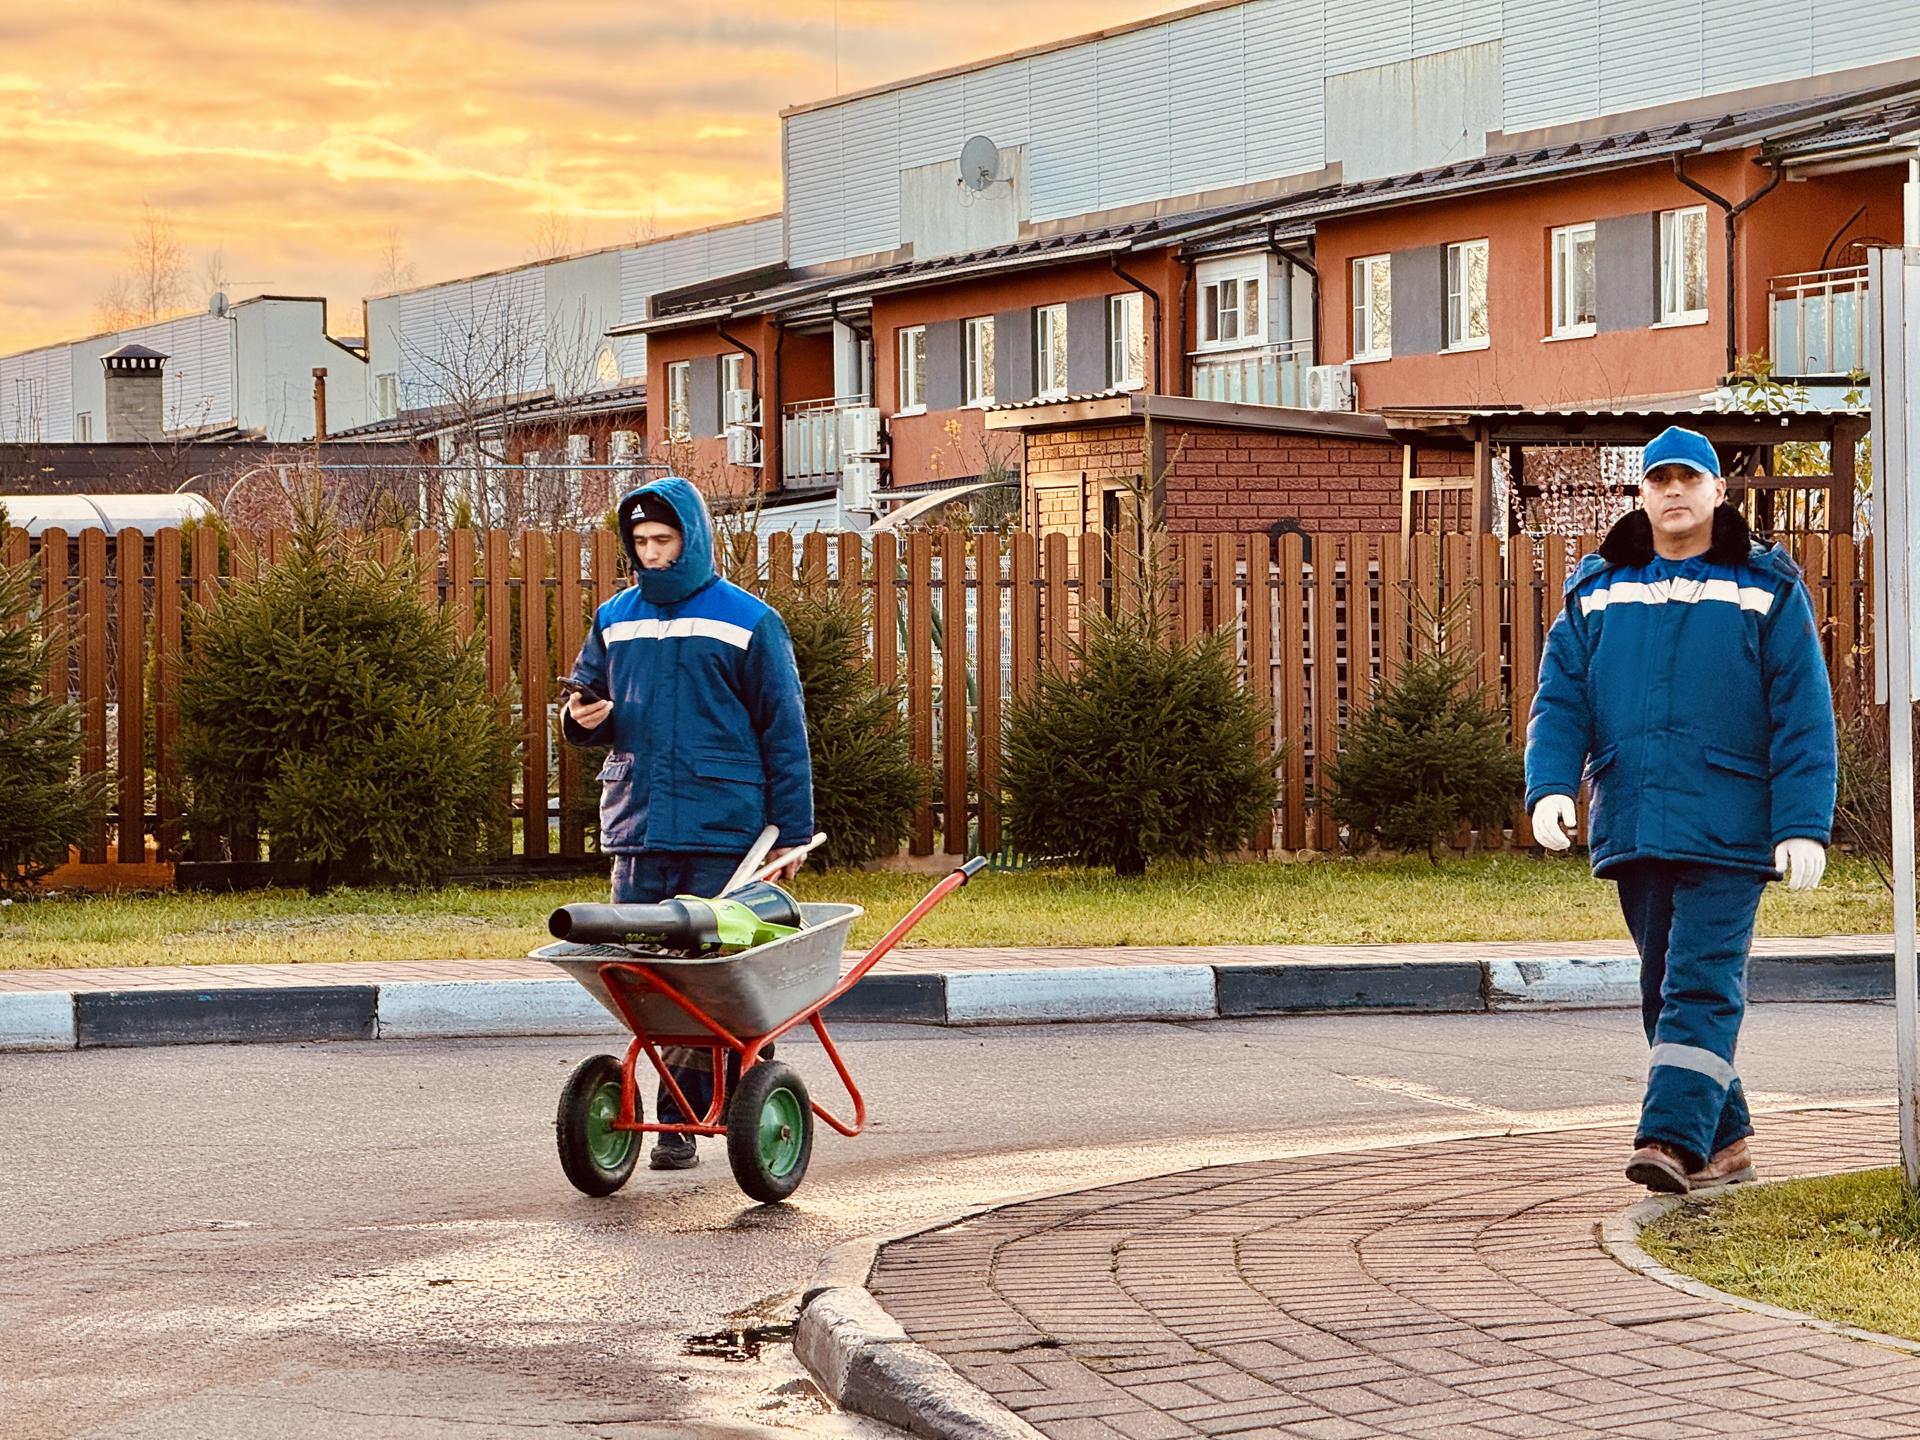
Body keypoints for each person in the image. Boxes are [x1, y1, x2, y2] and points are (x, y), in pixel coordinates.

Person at [1525, 425, 1836, 1195]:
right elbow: (1560, 701)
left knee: (1699, 984)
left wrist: (1802, 824)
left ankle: (1670, 1140)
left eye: (1687, 479)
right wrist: (1551, 786)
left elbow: (1803, 712)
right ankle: (1727, 1147)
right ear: (1642, 493)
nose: (1672, 492)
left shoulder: (1766, 587)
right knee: (1663, 986)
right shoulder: (1598, 590)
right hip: (1634, 818)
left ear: (1716, 492)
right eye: (1657, 480)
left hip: (1733, 829)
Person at [562, 476, 814, 1170]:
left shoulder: (747, 620)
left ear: (692, 538)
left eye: (663, 541)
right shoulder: (616, 617)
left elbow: (783, 728)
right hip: (639, 825)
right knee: (648, 981)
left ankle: (720, 1114)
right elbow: (590, 700)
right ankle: (670, 1118)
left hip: (722, 828)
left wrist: (792, 831)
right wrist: (583, 720)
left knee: (716, 984)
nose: (652, 555)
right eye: (640, 543)